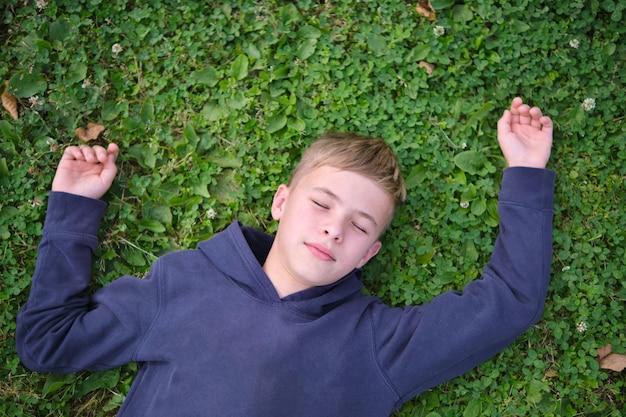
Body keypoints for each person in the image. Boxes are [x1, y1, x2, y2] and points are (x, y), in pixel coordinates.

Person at [16, 97, 555, 416]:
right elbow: (48, 342)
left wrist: (527, 173)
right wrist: (73, 209)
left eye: (359, 226)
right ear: (281, 201)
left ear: (369, 253)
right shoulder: (184, 284)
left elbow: (507, 304)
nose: (333, 228)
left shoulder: (378, 345)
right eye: (321, 202)